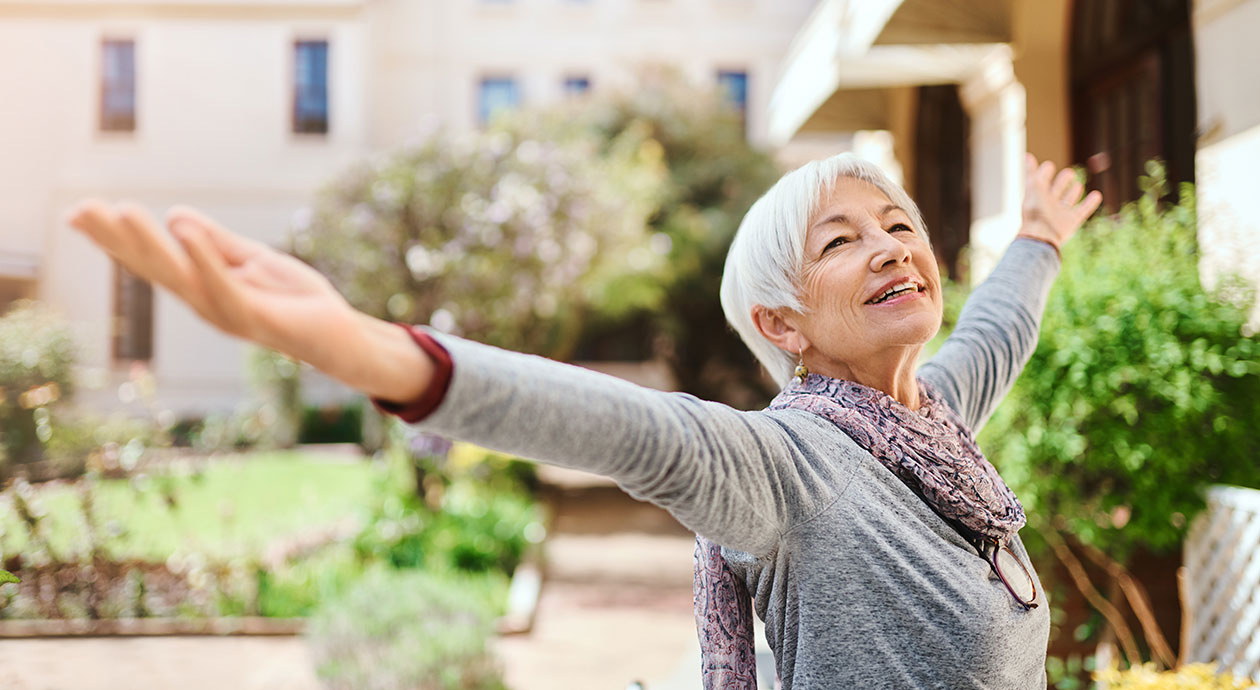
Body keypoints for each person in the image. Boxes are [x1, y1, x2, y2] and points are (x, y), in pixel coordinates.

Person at [67, 151, 1101, 689]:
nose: (886, 248)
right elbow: (624, 428)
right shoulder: (790, 468)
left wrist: (1042, 237)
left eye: (898, 226)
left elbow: (999, 327)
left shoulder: (940, 428)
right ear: (782, 322)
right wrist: (365, 349)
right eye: (840, 241)